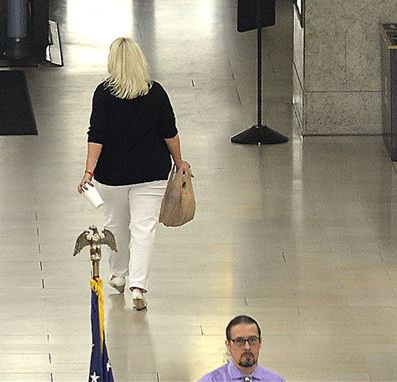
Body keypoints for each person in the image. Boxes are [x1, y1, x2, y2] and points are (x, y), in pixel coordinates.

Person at [76, 36, 189, 310]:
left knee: (115, 225)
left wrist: (89, 171)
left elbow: (96, 135)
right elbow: (169, 132)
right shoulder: (156, 92)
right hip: (151, 172)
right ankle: (138, 286)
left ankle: (118, 275)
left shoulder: (103, 94)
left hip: (112, 174)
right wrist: (180, 162)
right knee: (144, 228)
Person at [198, 315, 284, 382]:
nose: (247, 347)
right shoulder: (211, 380)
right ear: (228, 345)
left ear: (260, 342)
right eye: (239, 341)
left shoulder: (276, 380)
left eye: (252, 340)